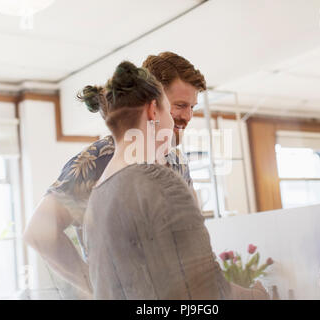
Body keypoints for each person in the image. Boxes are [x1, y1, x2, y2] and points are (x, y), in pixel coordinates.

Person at [23, 52, 206, 296]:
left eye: (192, 107)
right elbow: (39, 232)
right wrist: (94, 286)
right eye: (180, 105)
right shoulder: (101, 158)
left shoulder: (179, 164)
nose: (187, 116)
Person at [82, 61, 267, 299]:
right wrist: (259, 296)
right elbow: (210, 290)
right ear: (152, 110)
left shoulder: (98, 194)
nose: (184, 119)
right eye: (171, 108)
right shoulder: (162, 185)